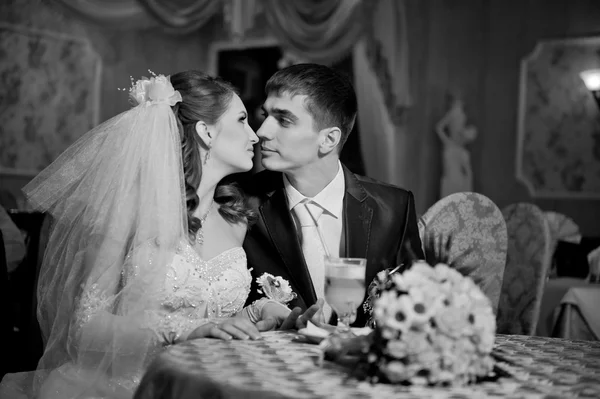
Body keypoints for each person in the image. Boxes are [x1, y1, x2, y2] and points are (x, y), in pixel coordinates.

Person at [0, 70, 315, 399]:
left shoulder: (235, 220)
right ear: (206, 132)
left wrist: (256, 312)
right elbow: (85, 328)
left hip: (201, 386)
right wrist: (186, 331)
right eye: (241, 120)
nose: (255, 136)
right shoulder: (128, 214)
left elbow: (209, 313)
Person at [243, 64, 424, 327]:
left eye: (283, 120)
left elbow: (417, 303)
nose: (262, 132)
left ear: (328, 139)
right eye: (265, 116)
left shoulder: (394, 207)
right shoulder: (242, 205)